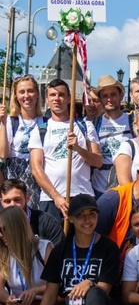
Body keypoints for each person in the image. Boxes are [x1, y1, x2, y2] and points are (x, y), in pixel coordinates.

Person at [29, 79, 102, 222]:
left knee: (82, 242)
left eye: (61, 95)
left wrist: (78, 149)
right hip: (51, 199)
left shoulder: (85, 126)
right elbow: (36, 169)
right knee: (54, 243)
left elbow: (98, 161)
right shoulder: (40, 130)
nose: (57, 99)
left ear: (69, 99)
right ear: (47, 99)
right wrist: (56, 196)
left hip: (82, 194)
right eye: (53, 95)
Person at [0, 206, 54, 305]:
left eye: (4, 229)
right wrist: (7, 298)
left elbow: (58, 284)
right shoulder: (4, 253)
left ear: (16, 228)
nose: (1, 235)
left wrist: (36, 290)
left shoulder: (44, 248)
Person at [0, 74, 46, 209]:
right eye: (22, 92)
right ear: (16, 96)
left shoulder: (45, 122)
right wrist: (2, 124)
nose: (27, 96)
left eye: (30, 91)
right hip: (14, 176)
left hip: (37, 177)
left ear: (37, 94)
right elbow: (3, 154)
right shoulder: (11, 121)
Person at [90, 75, 134, 196]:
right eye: (105, 96)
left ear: (121, 96)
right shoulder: (94, 123)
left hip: (125, 185)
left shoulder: (132, 121)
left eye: (113, 94)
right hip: (99, 188)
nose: (109, 99)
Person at [0, 179, 63, 246]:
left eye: (17, 200)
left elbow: (58, 252)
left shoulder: (47, 222)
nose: (12, 205)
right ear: (1, 202)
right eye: (7, 201)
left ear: (27, 198)